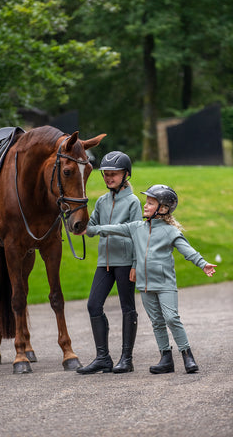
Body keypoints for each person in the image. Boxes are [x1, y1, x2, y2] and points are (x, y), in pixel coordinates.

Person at [86, 184, 217, 374]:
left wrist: (202, 263)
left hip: (165, 285)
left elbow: (187, 250)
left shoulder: (170, 231)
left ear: (162, 209)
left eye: (150, 203)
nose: (145, 206)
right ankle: (166, 358)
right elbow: (115, 228)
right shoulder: (137, 227)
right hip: (145, 286)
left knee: (172, 318)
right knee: (156, 321)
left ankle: (187, 355)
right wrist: (91, 229)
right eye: (146, 202)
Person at [76, 151, 142, 375]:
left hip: (125, 262)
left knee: (127, 307)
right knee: (93, 305)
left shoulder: (133, 202)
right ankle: (103, 358)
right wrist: (75, 220)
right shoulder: (102, 202)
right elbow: (90, 227)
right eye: (105, 174)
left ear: (126, 175)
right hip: (104, 262)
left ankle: (127, 358)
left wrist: (135, 264)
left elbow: (133, 231)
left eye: (113, 174)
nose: (108, 178)